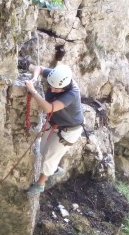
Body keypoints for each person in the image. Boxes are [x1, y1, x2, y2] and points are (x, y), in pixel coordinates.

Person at [24, 63, 84, 195]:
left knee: (49, 158)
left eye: (56, 88)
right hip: (54, 123)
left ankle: (40, 184)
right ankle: (55, 170)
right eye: (51, 85)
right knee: (42, 150)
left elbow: (48, 108)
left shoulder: (72, 93)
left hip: (68, 131)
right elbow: (39, 68)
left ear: (64, 86)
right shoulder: (57, 77)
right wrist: (34, 78)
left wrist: (33, 91)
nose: (51, 89)